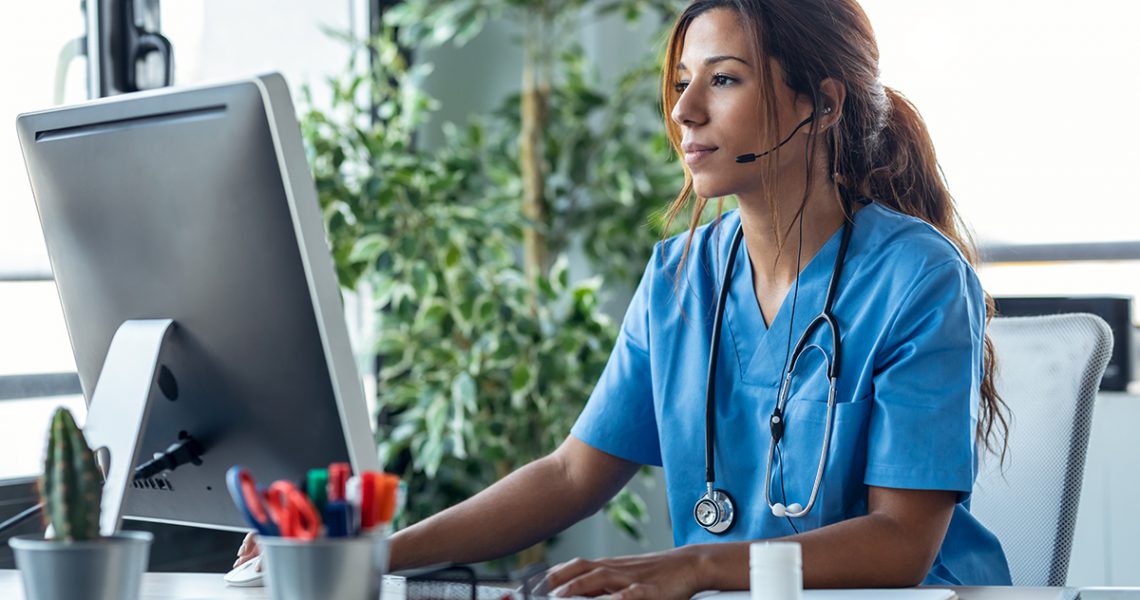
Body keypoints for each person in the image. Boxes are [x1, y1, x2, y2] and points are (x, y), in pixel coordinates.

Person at [234, 0, 1012, 596]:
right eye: (681, 84)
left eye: (725, 80)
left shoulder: (918, 277)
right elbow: (573, 474)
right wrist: (370, 555)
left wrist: (695, 566)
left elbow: (903, 541)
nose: (684, 112)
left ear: (823, 104)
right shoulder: (680, 276)